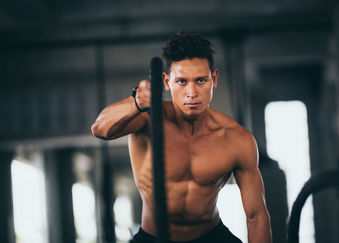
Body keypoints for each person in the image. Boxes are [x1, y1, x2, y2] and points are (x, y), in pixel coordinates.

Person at [91, 31, 272, 243]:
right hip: (153, 238)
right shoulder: (147, 120)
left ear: (214, 79)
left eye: (201, 81)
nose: (191, 92)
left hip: (211, 237)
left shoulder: (236, 139)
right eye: (182, 82)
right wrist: (136, 103)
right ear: (167, 82)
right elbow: (99, 129)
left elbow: (256, 216)